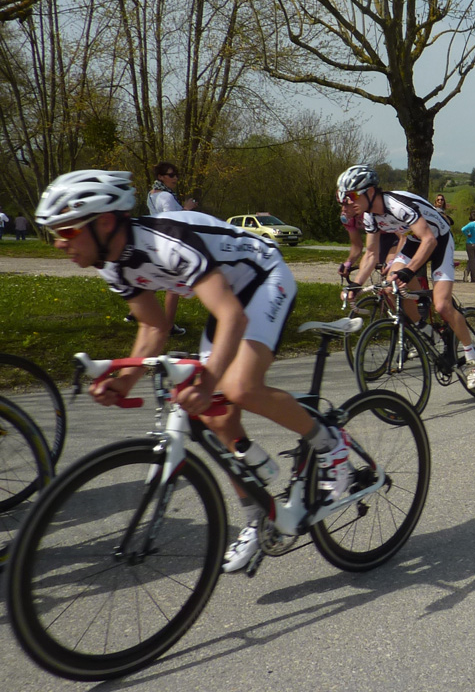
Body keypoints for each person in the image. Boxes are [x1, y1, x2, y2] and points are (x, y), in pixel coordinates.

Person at [35, 169, 352, 573]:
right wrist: (124, 380)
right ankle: (260, 516)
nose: (60, 243)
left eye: (68, 231)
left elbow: (232, 317)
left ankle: (331, 445)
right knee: (214, 412)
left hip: (264, 277)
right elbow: (154, 326)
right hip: (231, 295)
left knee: (239, 387)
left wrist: (207, 379)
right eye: (56, 233)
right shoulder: (111, 263)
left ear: (105, 222)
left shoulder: (166, 243)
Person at [337, 165, 475, 389]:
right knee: (388, 286)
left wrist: (408, 270)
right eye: (344, 199)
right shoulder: (370, 217)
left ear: (369, 191)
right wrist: (355, 285)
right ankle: (424, 330)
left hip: (439, 239)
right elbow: (370, 253)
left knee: (442, 305)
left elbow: (430, 241)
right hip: (415, 241)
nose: (348, 203)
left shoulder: (396, 205)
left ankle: (472, 356)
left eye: (351, 196)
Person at [125, 162, 196, 336]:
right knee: (174, 284)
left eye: (176, 174)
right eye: (171, 175)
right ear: (161, 177)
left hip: (154, 240)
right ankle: (169, 326)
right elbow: (171, 220)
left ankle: (134, 313)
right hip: (169, 242)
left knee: (153, 278)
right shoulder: (166, 196)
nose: (175, 178)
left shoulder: (152, 194)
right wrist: (187, 208)